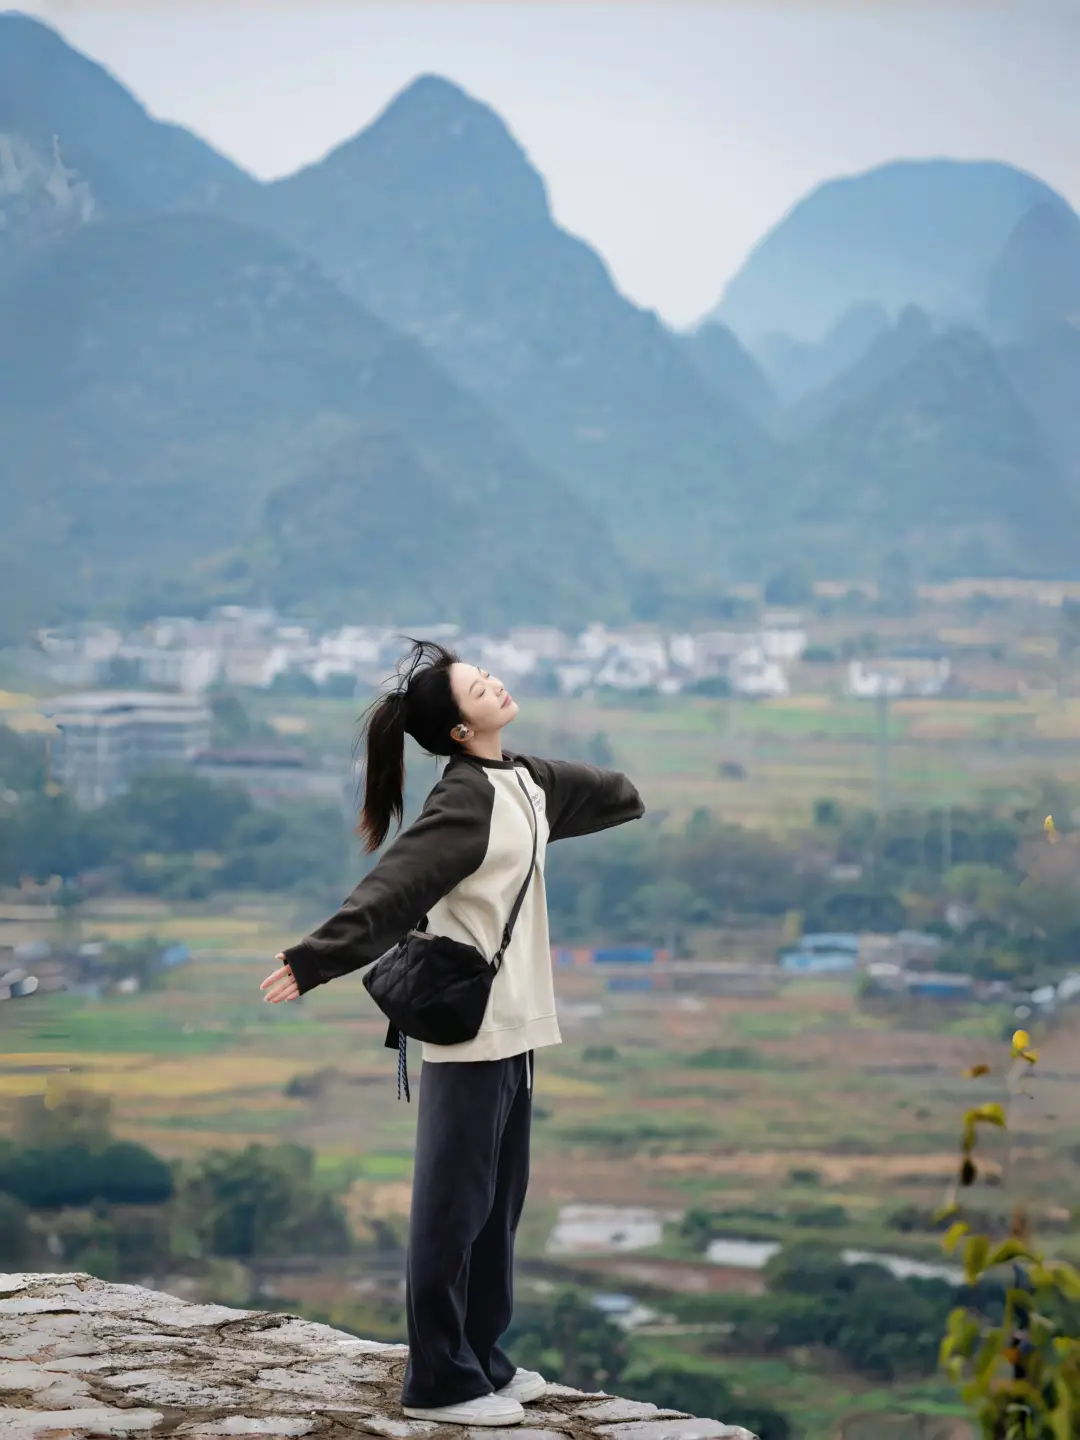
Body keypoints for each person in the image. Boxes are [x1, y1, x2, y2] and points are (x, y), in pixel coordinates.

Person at [261, 639, 644, 1427]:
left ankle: (484, 1359)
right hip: (470, 1031)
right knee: (451, 1206)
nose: (496, 683)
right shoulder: (464, 800)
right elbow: (395, 887)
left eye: (487, 674)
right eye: (478, 686)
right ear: (459, 732)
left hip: (519, 1026)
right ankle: (438, 1379)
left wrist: (631, 794)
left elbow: (608, 792)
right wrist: (314, 959)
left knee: (498, 1205)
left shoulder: (525, 782)